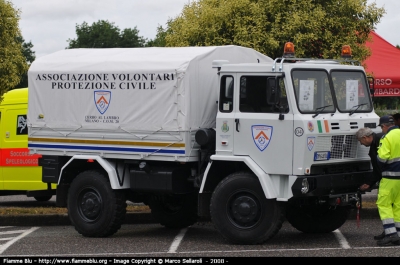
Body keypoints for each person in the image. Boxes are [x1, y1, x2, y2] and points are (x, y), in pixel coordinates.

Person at [375, 115, 400, 246]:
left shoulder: (387, 137)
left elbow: (383, 158)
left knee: (384, 204)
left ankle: (391, 234)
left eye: (381, 127)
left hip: (390, 176)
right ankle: (399, 234)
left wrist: (377, 159)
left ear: (384, 126)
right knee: (398, 205)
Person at [356, 127, 383, 192]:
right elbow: (377, 169)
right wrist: (369, 183)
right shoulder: (374, 145)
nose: (361, 143)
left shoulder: (381, 140)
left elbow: (378, 167)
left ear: (365, 138)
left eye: (360, 141)